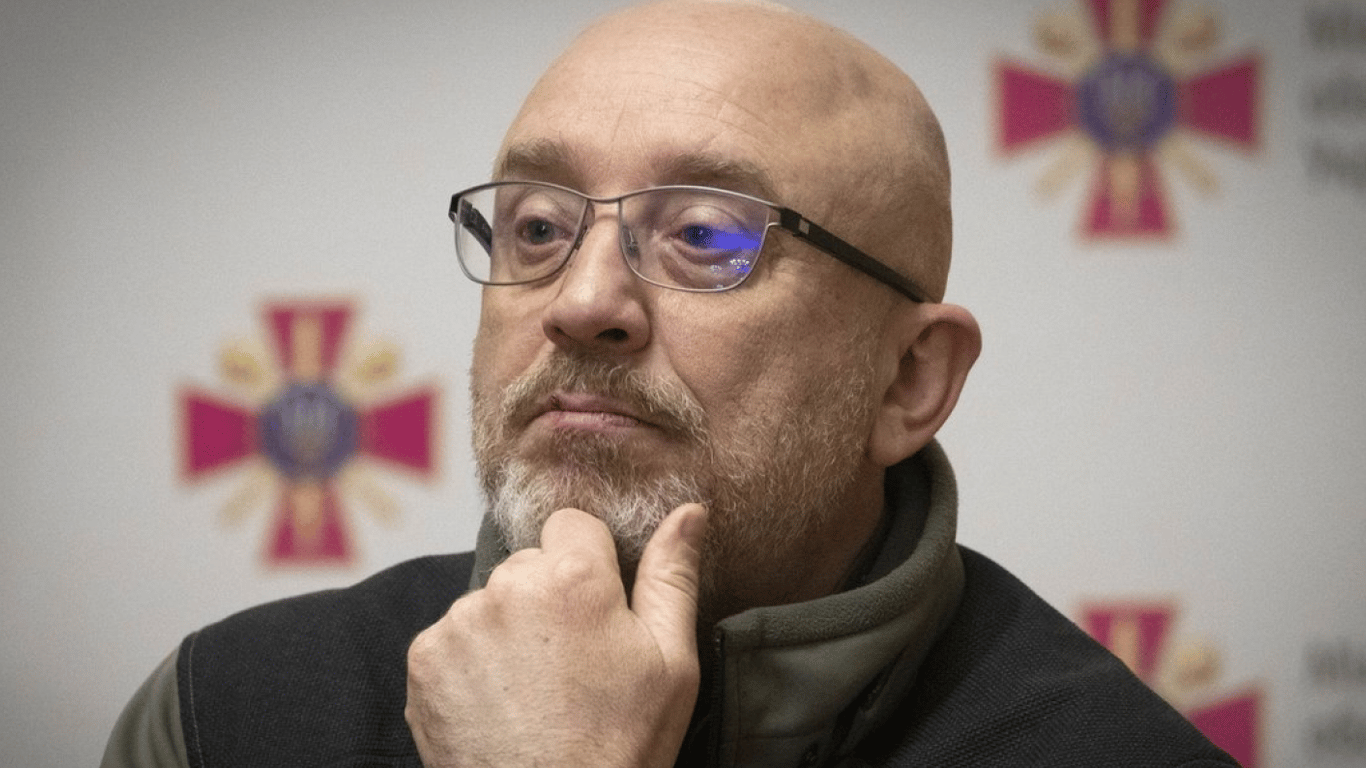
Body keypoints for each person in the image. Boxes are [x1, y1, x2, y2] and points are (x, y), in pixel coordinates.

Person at [103, 1, 1240, 766]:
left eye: (704, 235)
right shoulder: (227, 716)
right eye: (537, 225)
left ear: (908, 380)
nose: (582, 300)